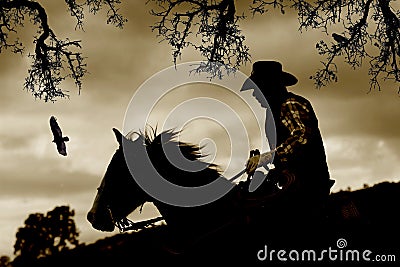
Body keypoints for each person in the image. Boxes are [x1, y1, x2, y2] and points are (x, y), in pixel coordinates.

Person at [240, 60, 334, 246]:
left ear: (268, 86)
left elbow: (302, 138)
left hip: (308, 184)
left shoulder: (290, 104)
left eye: (257, 88)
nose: (254, 94)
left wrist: (266, 157)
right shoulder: (273, 112)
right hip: (292, 182)